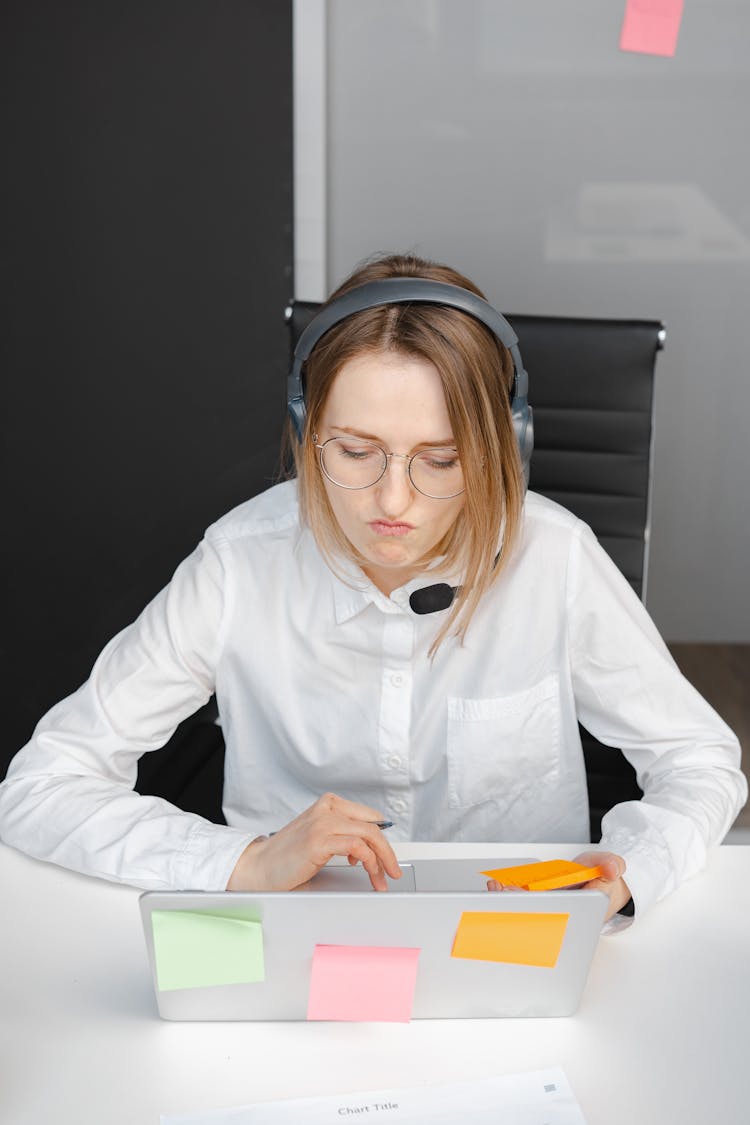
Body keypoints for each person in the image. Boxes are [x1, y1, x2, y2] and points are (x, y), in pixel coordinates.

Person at [0, 253, 745, 925]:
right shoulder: (239, 562)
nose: (393, 501)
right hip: (297, 926)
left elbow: (702, 761)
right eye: (356, 451)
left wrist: (627, 869)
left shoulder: (556, 557)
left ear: (501, 450)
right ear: (305, 432)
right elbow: (40, 787)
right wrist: (240, 862)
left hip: (509, 936)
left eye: (443, 460)